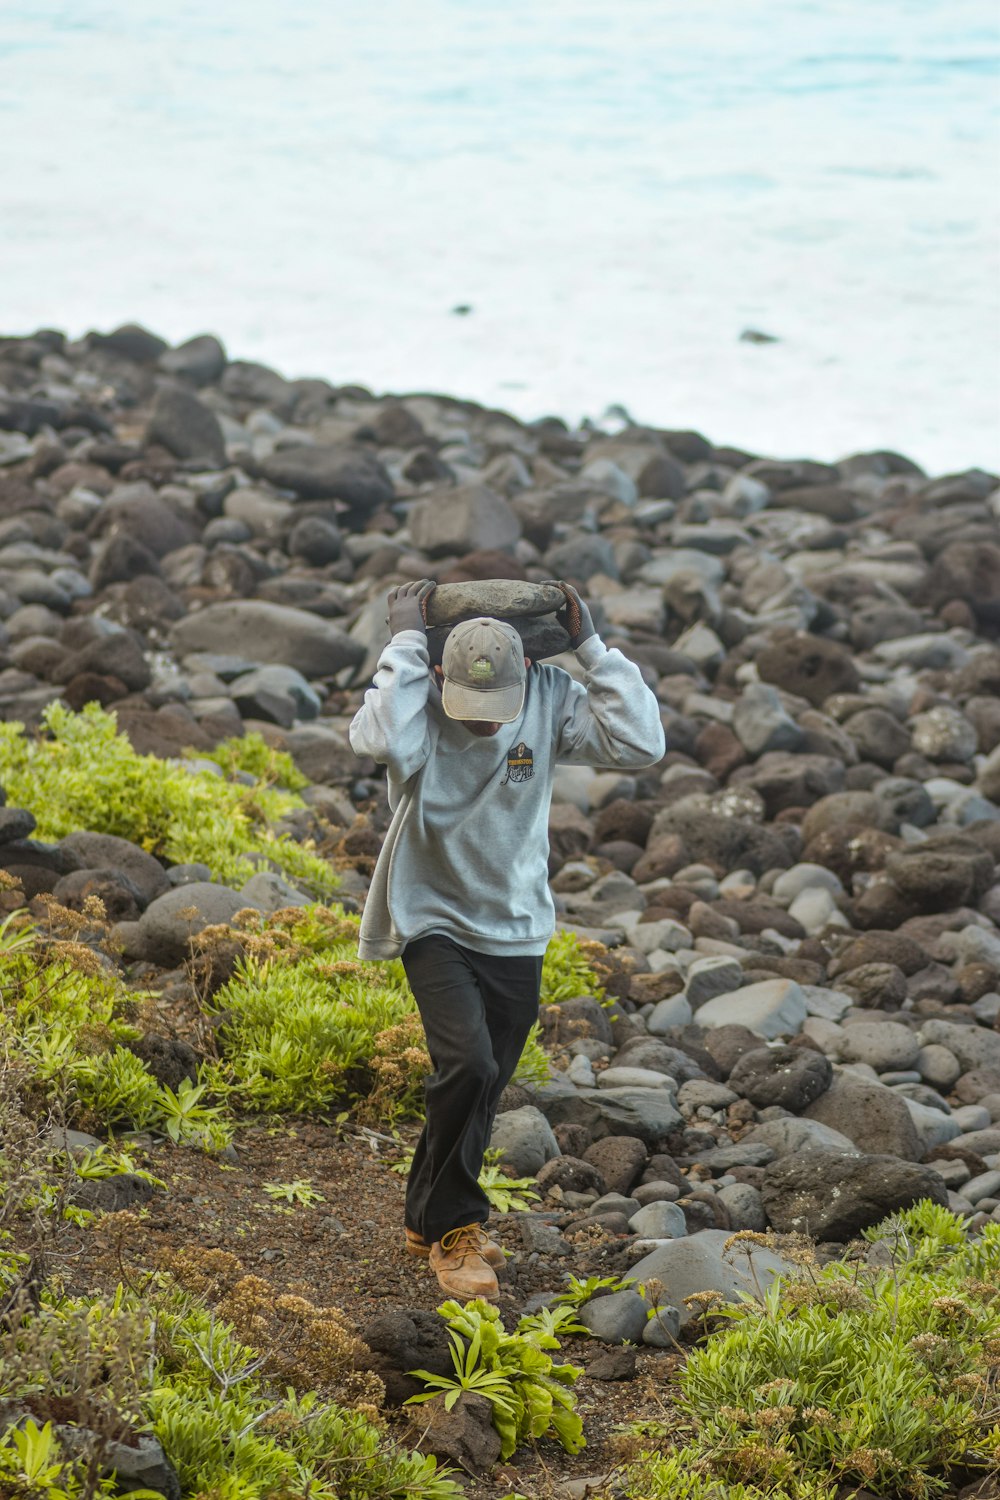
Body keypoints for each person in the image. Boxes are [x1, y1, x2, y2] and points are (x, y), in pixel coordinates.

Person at [348, 578, 665, 1297]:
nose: (487, 724)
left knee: (484, 1080)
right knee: (466, 1063)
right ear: (439, 676)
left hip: (518, 925)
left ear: (526, 675)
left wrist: (592, 648)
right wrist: (403, 643)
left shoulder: (549, 696)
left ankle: (423, 1215)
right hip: (431, 917)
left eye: (500, 709)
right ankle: (455, 1233)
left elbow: (642, 742)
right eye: (470, 706)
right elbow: (374, 737)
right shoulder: (418, 705)